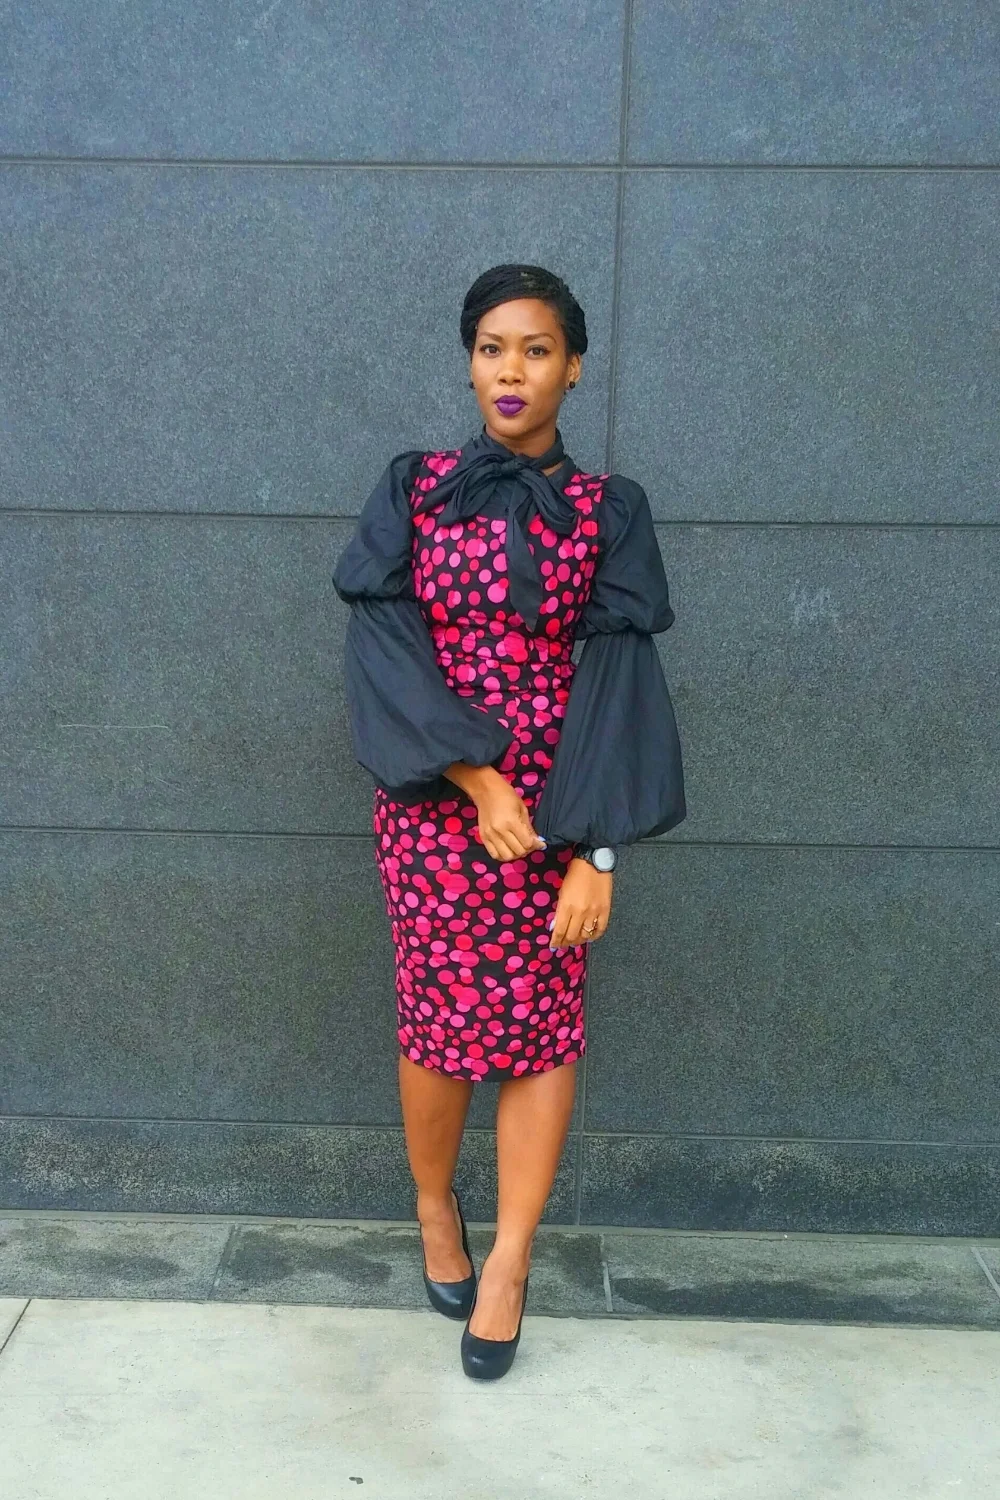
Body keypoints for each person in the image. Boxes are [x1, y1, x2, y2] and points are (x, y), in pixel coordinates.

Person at [331, 262, 685, 1380]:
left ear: (573, 368)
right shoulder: (416, 488)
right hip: (436, 803)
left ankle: (511, 1263)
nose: (512, 370)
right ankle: (434, 1204)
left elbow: (620, 682)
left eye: (536, 349)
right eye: (492, 348)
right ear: (470, 363)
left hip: (564, 805)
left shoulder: (610, 509)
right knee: (440, 1019)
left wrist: (597, 848)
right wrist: (477, 781)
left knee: (543, 1025)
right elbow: (382, 645)